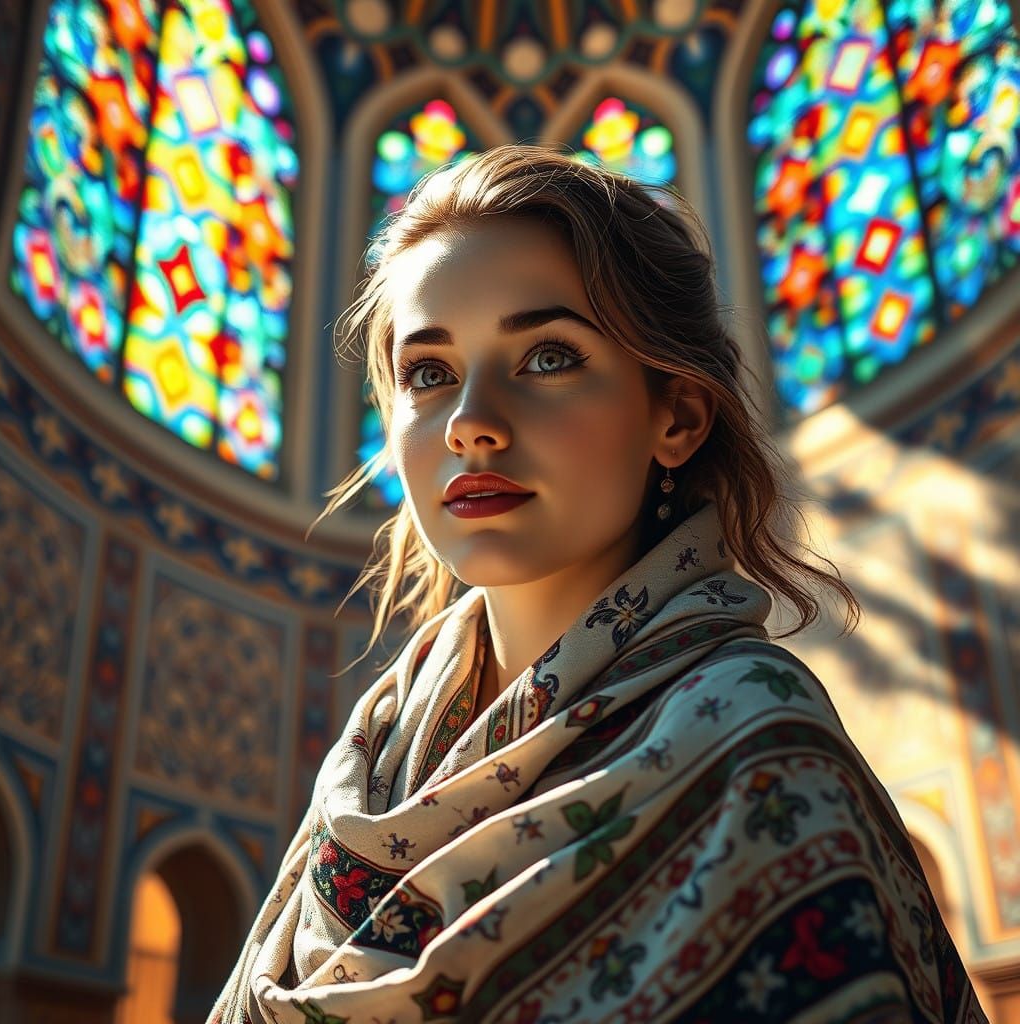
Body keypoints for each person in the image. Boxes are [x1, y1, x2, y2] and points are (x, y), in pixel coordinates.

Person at [210, 145, 987, 1023]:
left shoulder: (759, 748)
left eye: (547, 357)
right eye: (429, 373)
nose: (470, 424)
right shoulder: (365, 769)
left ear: (677, 416)